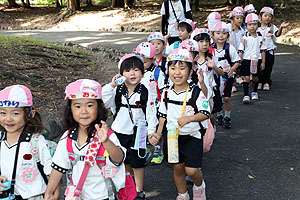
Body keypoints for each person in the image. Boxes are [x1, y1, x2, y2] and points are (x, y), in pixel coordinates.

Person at [44, 79, 126, 200]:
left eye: (89, 105)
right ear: (70, 109)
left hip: (104, 196)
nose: (84, 111)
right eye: (77, 106)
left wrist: (106, 142)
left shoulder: (106, 134)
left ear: (99, 107)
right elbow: (58, 167)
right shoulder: (68, 137)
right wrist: (49, 193)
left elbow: (119, 158)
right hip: (77, 196)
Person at [151, 48, 210, 200]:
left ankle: (199, 187)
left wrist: (189, 119)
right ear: (168, 70)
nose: (177, 72)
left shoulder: (195, 92)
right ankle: (182, 194)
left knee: (191, 170)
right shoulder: (166, 92)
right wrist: (158, 133)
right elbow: (162, 115)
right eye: (173, 68)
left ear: (190, 72)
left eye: (182, 68)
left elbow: (205, 113)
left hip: (192, 136)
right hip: (172, 137)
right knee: (177, 169)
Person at [102, 54, 158, 200]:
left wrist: (151, 132)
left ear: (143, 73)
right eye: (127, 70)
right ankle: (128, 184)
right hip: (119, 132)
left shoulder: (146, 91)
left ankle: (139, 191)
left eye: (136, 70)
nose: (132, 74)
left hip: (138, 133)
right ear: (121, 74)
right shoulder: (117, 90)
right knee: (123, 161)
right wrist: (111, 85)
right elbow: (104, 100)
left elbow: (151, 113)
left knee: (138, 163)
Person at [0, 85, 58, 200]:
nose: (8, 119)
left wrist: (54, 195)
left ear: (30, 114)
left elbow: (53, 173)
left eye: (15, 113)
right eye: (3, 113)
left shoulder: (36, 143)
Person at [135, 42, 165, 165]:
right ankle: (144, 147)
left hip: (155, 105)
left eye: (145, 62)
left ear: (153, 59)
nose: (142, 64)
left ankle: (158, 148)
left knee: (156, 126)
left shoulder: (157, 73)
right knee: (142, 125)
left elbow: (163, 91)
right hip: (140, 105)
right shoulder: (135, 71)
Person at [210, 21, 241, 129]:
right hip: (214, 77)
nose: (221, 36)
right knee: (216, 97)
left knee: (226, 98)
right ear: (213, 35)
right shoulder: (210, 49)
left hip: (227, 77)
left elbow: (237, 61)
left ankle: (227, 116)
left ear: (228, 35)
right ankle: (219, 115)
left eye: (224, 33)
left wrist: (232, 69)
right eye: (218, 33)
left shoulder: (229, 48)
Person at [192, 28, 224, 129]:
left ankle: (212, 129)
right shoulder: (191, 58)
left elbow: (222, 73)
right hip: (196, 90)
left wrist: (213, 66)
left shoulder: (211, 57)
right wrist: (192, 63)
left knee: (211, 114)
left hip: (210, 91)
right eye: (201, 41)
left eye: (207, 41)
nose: (205, 44)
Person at [257, 6, 290, 91]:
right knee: (259, 67)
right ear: (260, 16)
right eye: (265, 15)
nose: (267, 18)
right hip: (259, 51)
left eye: (270, 16)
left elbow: (277, 34)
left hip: (269, 51)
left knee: (268, 67)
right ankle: (260, 81)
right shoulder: (257, 27)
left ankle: (267, 82)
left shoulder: (272, 27)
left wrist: (281, 28)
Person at [238, 13, 266, 104]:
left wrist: (263, 62)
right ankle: (246, 95)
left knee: (255, 78)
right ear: (246, 26)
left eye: (254, 24)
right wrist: (238, 61)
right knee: (246, 78)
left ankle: (254, 92)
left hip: (257, 60)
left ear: (258, 25)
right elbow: (241, 50)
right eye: (250, 25)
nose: (252, 27)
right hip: (246, 60)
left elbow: (263, 50)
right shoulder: (244, 38)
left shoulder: (261, 38)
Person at [228, 8, 245, 93]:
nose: (239, 20)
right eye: (237, 18)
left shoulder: (242, 30)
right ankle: (231, 84)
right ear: (232, 19)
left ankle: (237, 77)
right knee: (230, 67)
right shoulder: (229, 29)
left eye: (241, 18)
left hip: (239, 51)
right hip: (231, 51)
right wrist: (231, 29)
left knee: (238, 66)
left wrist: (241, 51)